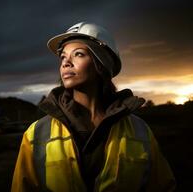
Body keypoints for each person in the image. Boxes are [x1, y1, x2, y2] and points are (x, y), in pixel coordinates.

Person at [11, 22, 176, 192]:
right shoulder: (36, 133)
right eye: (63, 57)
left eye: (79, 54)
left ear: (102, 64)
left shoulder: (140, 131)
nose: (66, 63)